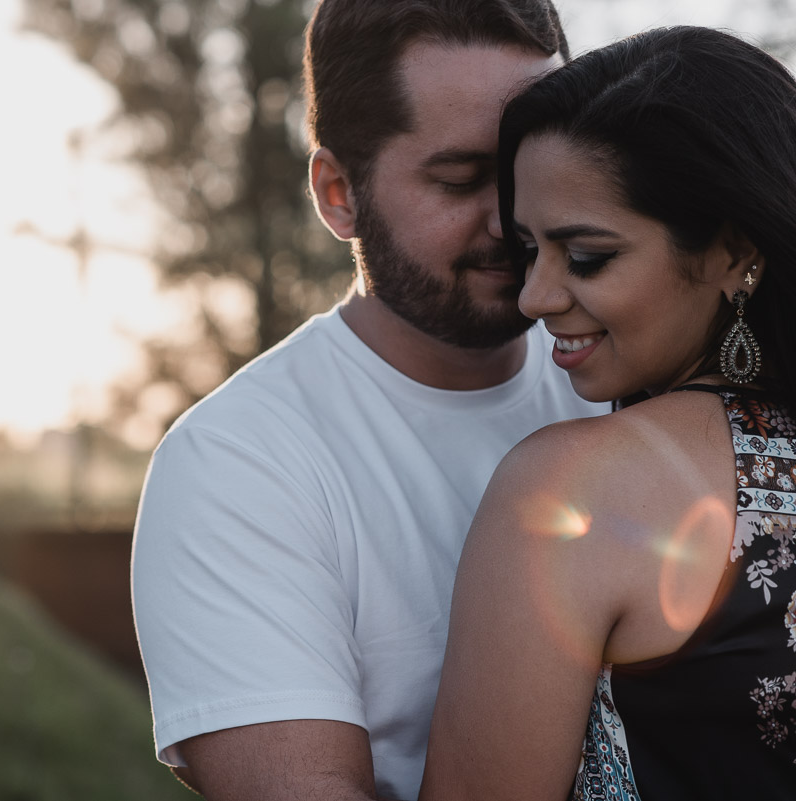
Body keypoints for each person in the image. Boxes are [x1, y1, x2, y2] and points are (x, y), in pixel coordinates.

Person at [131, 2, 604, 799]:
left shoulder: (646, 375)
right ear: (338, 191)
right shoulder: (239, 466)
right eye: (459, 178)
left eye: (533, 167)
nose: (513, 218)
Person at [419, 25, 796, 801]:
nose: (534, 297)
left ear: (733, 251)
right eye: (529, 249)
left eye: (587, 256)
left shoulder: (575, 486)